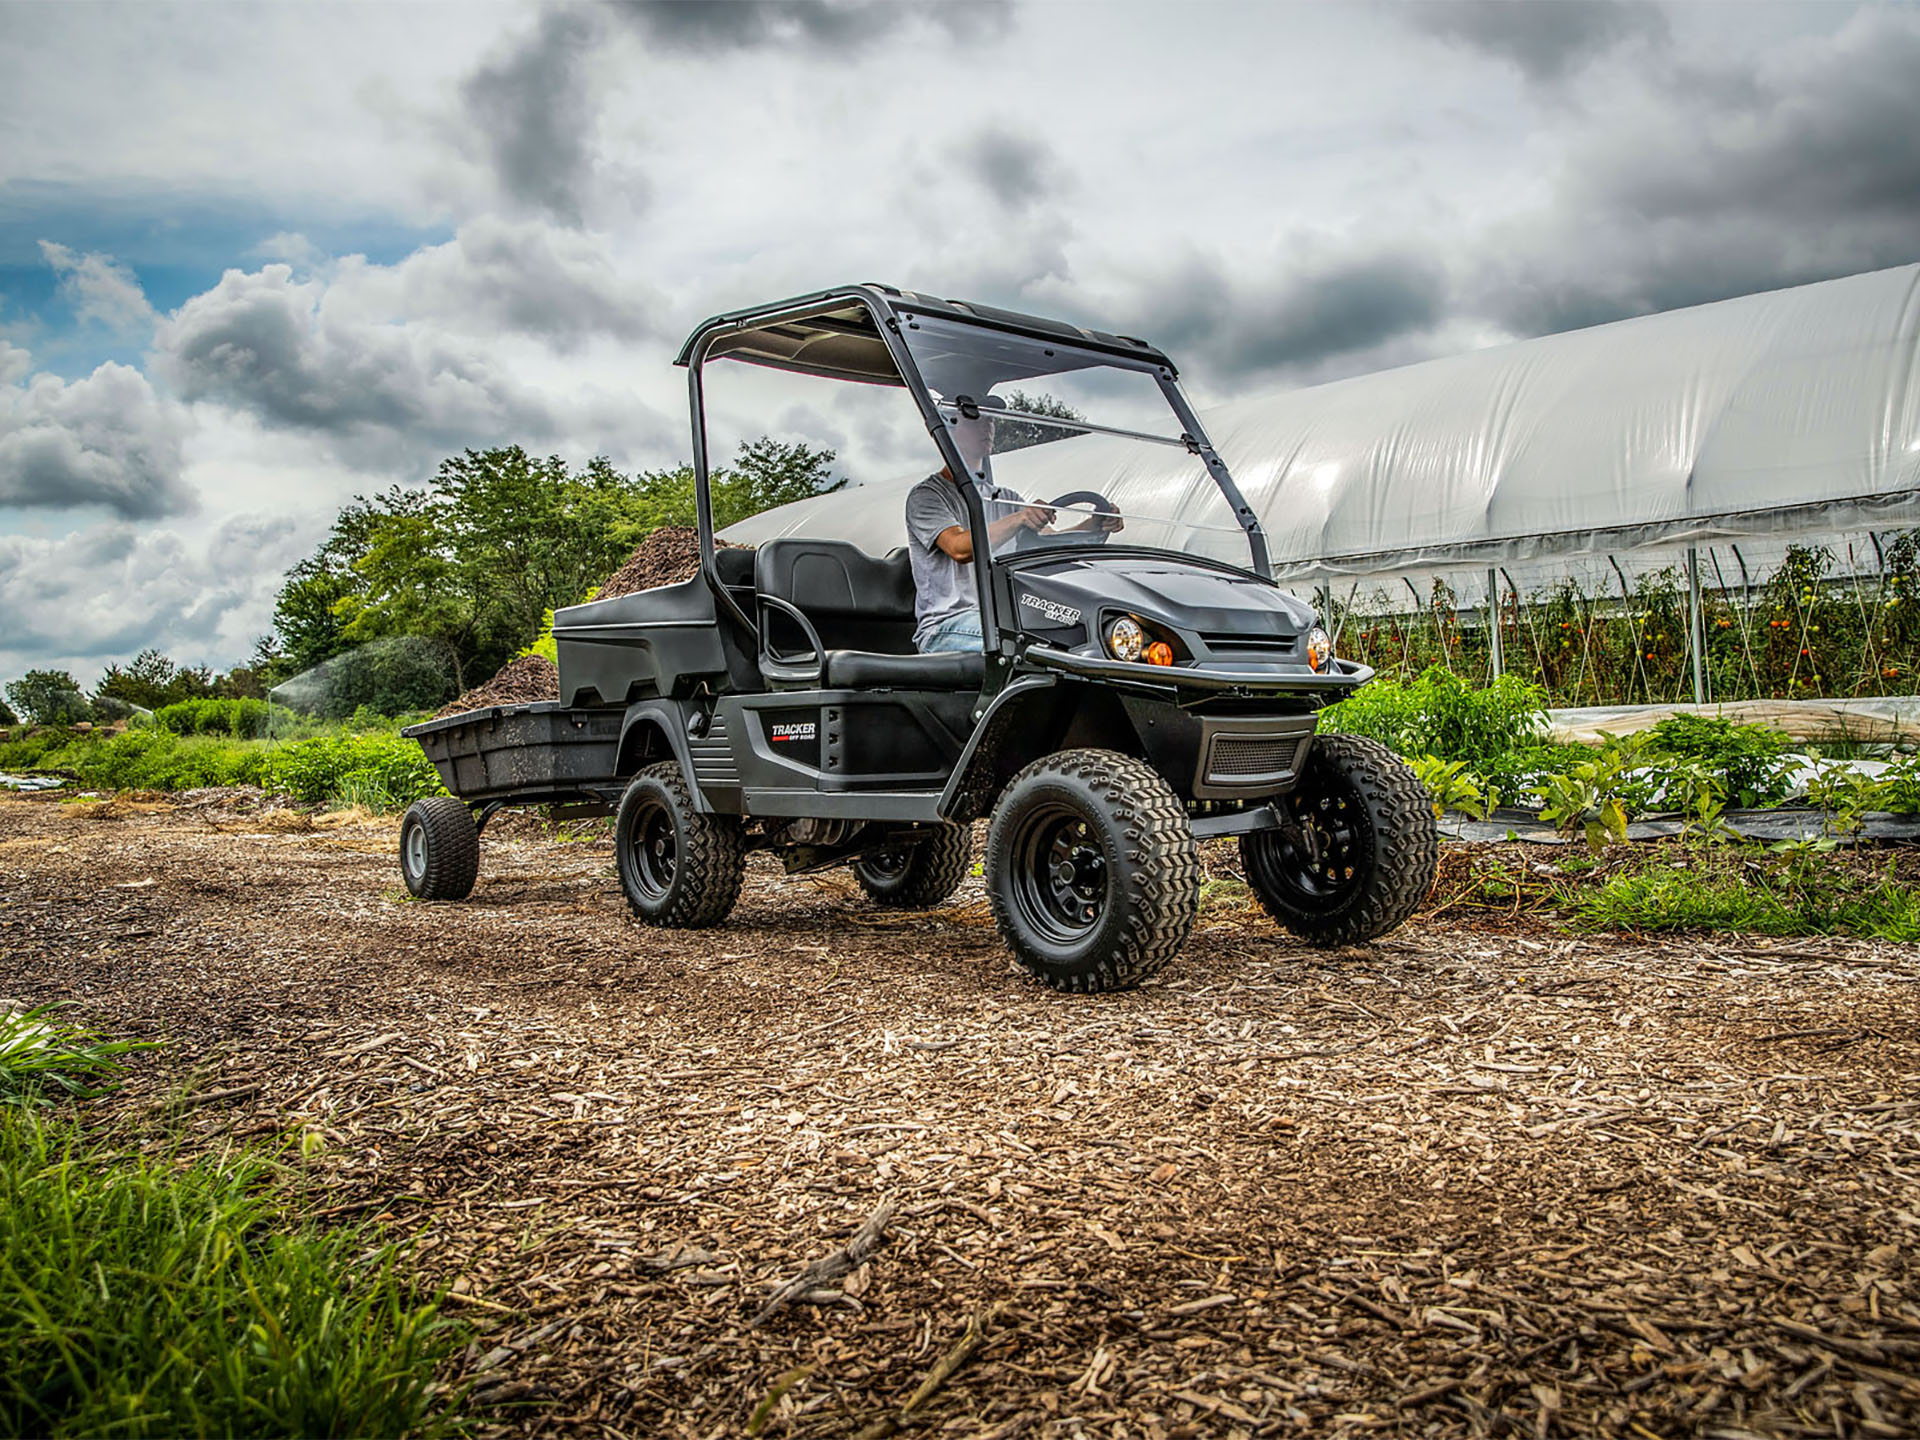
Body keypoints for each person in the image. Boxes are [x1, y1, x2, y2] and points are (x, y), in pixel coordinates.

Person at [904, 406, 1121, 653]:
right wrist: (1020, 518)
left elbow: (1050, 543)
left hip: (1002, 617)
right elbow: (959, 548)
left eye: (991, 419)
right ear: (948, 429)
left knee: (1085, 634)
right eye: (976, 419)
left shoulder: (1006, 498)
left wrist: (1094, 524)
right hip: (946, 626)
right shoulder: (928, 496)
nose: (988, 425)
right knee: (1039, 646)